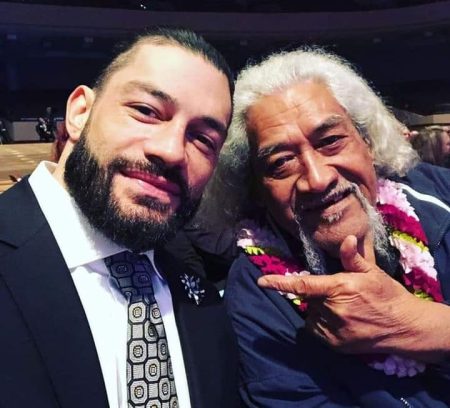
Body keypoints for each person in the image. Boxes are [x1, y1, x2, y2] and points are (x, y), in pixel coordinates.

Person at [0, 28, 239, 408]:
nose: (172, 151)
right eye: (146, 111)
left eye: (203, 139)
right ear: (80, 113)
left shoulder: (203, 303)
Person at [206, 47, 450, 406]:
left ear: (367, 142)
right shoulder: (257, 295)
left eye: (331, 141)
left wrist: (420, 325)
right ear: (255, 190)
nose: (318, 179)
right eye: (281, 162)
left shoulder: (440, 193)